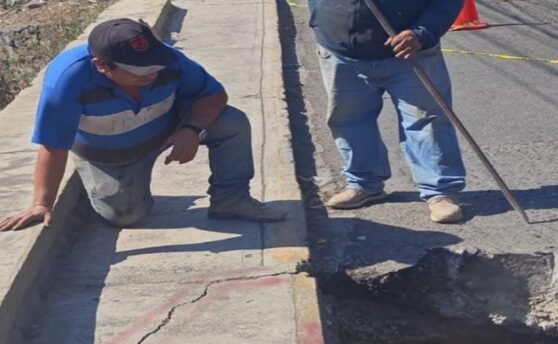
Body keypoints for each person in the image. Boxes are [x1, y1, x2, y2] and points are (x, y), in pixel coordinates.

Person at [0, 18, 284, 232]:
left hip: (165, 128)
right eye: (140, 70)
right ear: (102, 66)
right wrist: (42, 204)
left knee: (231, 122)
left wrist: (191, 129)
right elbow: (53, 145)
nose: (153, 73)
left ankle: (231, 199)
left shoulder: (167, 60)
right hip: (108, 153)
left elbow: (214, 95)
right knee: (126, 217)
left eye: (155, 64)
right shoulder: (67, 80)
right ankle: (108, 184)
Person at [309, 0, 468, 223]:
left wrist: (422, 32)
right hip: (340, 49)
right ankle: (363, 183)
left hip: (410, 50)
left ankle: (440, 191)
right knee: (350, 120)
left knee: (426, 122)